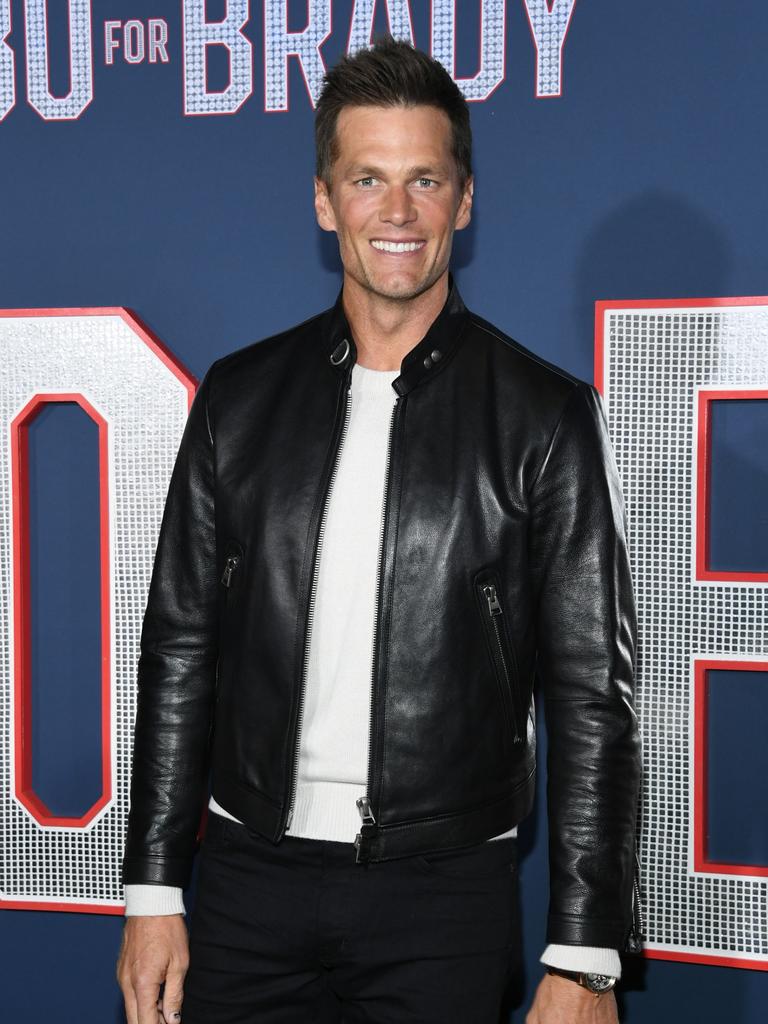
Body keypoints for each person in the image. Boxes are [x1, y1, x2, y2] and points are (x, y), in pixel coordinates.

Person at [117, 38, 641, 1024]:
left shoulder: (543, 416)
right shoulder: (240, 399)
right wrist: (152, 887)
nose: (396, 212)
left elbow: (590, 699)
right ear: (325, 201)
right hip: (245, 887)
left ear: (465, 200)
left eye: (424, 180)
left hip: (443, 898)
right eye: (368, 179)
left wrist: (586, 953)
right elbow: (180, 648)